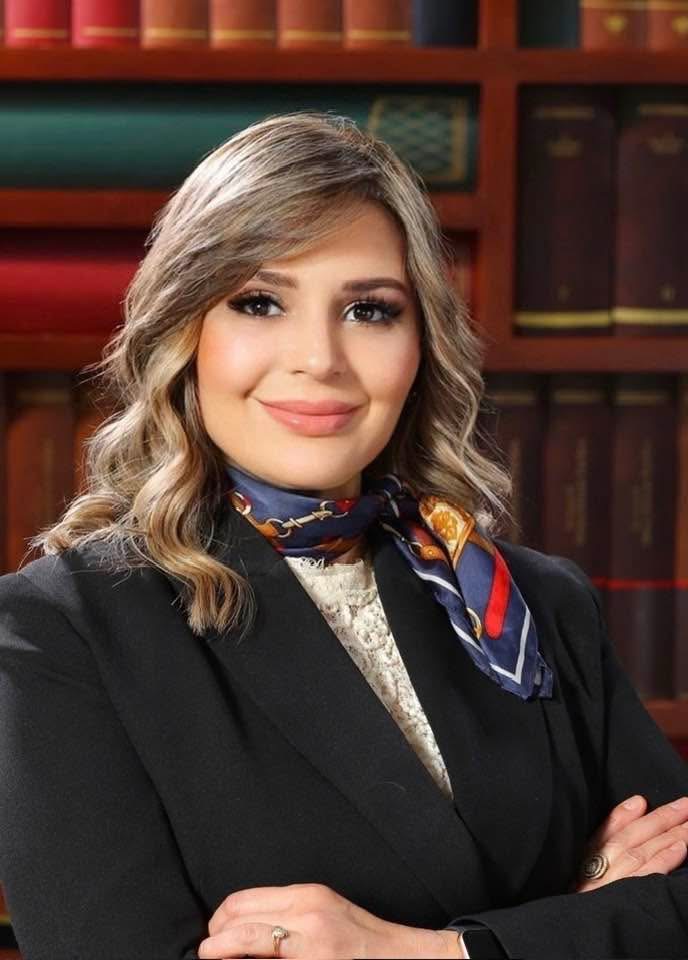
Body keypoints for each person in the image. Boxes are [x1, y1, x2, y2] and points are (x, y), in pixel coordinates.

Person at [1, 111, 687, 960]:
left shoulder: (539, 605)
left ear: (422, 343)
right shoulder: (62, 631)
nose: (320, 358)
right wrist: (582, 915)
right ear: (185, 334)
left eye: (369, 309)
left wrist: (429, 953)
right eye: (259, 303)